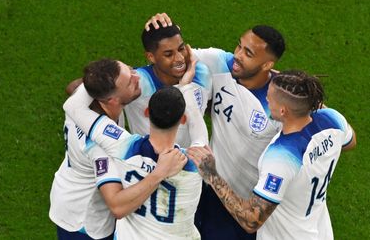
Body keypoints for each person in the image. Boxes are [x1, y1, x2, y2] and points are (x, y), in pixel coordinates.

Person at [146, 13, 285, 240]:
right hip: (206, 186)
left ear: (268, 64)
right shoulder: (220, 62)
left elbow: (339, 135)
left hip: (239, 202)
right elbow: (174, 56)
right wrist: (159, 28)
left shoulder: (280, 103)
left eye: (248, 54)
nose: (237, 56)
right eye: (239, 46)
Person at [188, 70, 357, 240]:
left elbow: (251, 221)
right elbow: (351, 141)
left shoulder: (280, 158)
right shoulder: (333, 120)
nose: (266, 100)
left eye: (270, 98)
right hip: (320, 232)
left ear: (283, 111)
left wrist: (212, 174)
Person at [63, 57, 208, 239]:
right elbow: (199, 130)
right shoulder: (196, 161)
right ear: (182, 119)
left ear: (147, 113)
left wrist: (98, 77)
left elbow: (72, 105)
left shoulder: (122, 145)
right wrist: (185, 86)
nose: (136, 77)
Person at [124, 20, 212, 148]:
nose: (179, 58)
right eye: (168, 54)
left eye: (181, 49)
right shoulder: (137, 83)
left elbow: (208, 104)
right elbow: (90, 88)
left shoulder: (202, 74)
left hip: (187, 165)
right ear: (151, 57)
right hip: (148, 165)